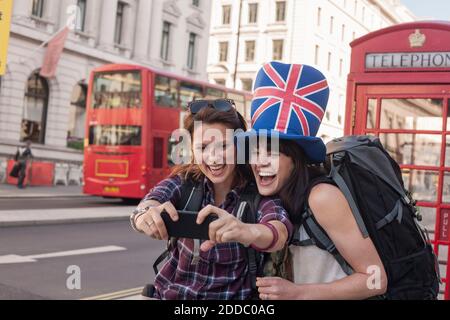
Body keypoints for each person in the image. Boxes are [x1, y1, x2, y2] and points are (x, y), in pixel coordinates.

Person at [236, 61, 388, 300]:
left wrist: (297, 293)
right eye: (255, 151)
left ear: (296, 158)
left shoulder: (322, 197)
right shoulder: (272, 193)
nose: (259, 162)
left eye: (273, 153)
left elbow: (375, 279)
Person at [130, 99, 293, 300]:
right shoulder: (185, 183)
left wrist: (246, 230)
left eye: (223, 146)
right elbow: (151, 201)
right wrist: (144, 215)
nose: (213, 158)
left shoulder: (256, 193)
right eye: (203, 147)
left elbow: (279, 231)